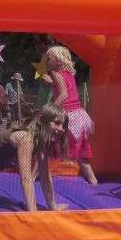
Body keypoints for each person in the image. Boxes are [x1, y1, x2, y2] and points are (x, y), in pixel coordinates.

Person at [42, 45, 98, 185]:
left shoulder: (56, 73)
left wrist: (50, 111)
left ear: (58, 61)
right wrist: (52, 83)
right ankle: (93, 180)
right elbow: (64, 88)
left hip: (67, 115)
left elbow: (63, 95)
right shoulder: (67, 73)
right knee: (79, 152)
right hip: (78, 115)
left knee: (45, 144)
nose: (45, 61)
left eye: (48, 58)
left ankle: (32, 177)